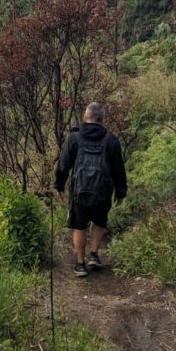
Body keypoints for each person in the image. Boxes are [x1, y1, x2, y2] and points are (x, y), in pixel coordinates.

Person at [55, 102, 127, 277]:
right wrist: (121, 191)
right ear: (102, 119)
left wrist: (59, 185)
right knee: (99, 221)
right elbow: (118, 168)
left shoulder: (74, 138)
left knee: (79, 226)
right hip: (103, 191)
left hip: (79, 191)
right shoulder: (111, 140)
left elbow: (63, 165)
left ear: (86, 117)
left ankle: (80, 265)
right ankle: (94, 254)